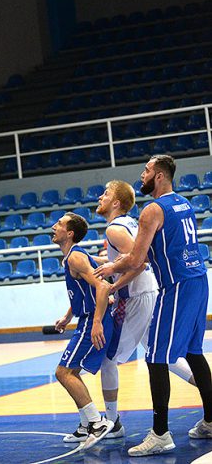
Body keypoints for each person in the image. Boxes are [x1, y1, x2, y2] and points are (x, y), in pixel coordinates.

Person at [94, 155, 212, 457]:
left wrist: (110, 269)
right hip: (199, 280)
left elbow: (137, 259)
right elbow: (149, 252)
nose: (142, 175)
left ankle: (160, 434)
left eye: (146, 171)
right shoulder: (184, 203)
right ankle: (211, 420)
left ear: (159, 176)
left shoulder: (152, 210)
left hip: (176, 285)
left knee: (157, 358)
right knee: (193, 352)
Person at [51, 212, 115, 450]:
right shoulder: (71, 256)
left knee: (63, 373)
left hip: (92, 320)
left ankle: (97, 422)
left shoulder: (75, 258)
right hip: (86, 318)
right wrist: (68, 316)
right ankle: (86, 424)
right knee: (72, 372)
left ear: (69, 233)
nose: (54, 226)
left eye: (59, 224)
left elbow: (103, 287)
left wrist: (97, 322)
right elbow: (83, 291)